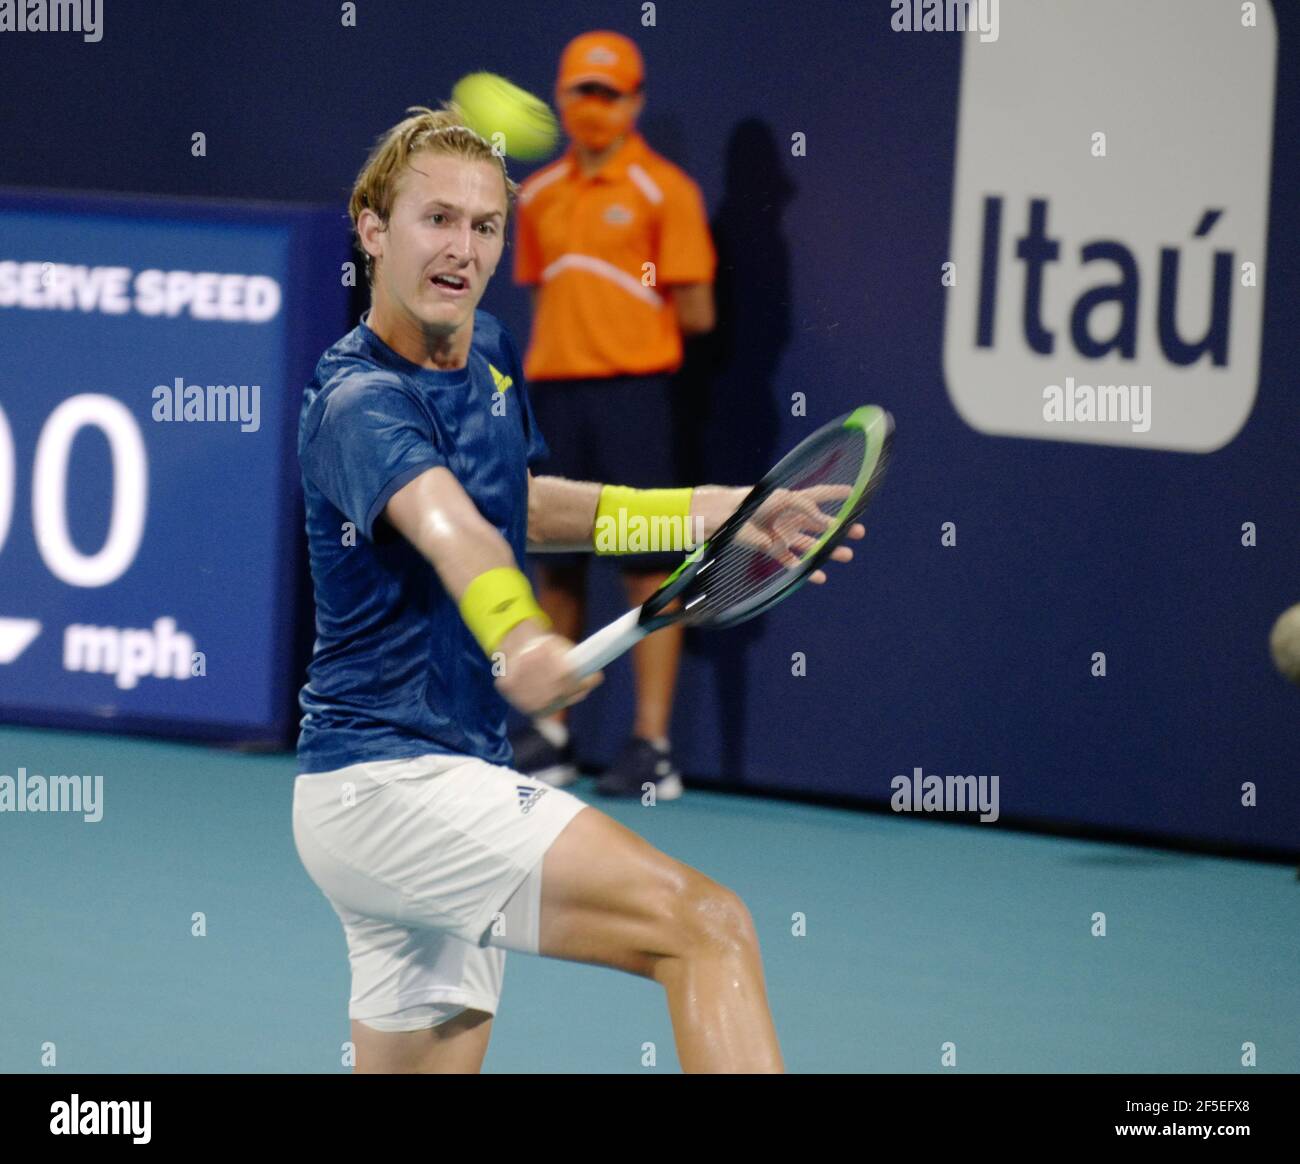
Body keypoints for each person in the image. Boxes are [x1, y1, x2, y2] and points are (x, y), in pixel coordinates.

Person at [290, 104, 863, 1073]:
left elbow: (524, 505)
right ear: (372, 227)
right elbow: (455, 531)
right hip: (389, 785)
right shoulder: (358, 403)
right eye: (435, 220)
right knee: (706, 926)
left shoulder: (490, 353)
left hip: (420, 787)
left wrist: (717, 510)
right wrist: (519, 637)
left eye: (483, 227)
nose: (461, 249)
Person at [511, 31, 717, 799]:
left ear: (634, 102)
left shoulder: (667, 193)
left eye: (608, 94)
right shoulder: (535, 197)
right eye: (579, 93)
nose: (592, 108)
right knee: (553, 563)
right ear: (560, 99)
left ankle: (652, 748)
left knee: (649, 569)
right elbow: (545, 290)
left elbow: (696, 309)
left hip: (636, 395)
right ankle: (552, 736)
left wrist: (628, 302)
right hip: (556, 393)